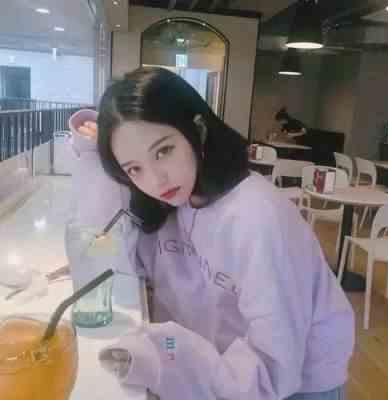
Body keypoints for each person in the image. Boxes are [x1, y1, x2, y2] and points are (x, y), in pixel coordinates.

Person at [70, 67, 354, 400]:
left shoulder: (256, 216)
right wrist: (91, 154)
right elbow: (111, 256)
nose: (156, 180)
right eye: (134, 168)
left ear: (199, 130)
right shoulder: (173, 202)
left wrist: (167, 361)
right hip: (233, 370)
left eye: (163, 151)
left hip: (295, 385)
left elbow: (275, 367)